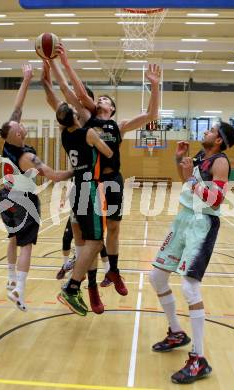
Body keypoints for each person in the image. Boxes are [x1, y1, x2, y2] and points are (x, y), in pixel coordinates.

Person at [54, 43, 161, 294]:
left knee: (114, 227)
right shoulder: (87, 117)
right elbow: (76, 92)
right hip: (92, 183)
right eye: (98, 98)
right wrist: (65, 63)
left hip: (114, 180)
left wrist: (154, 85)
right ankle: (90, 284)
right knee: (93, 235)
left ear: (112, 108)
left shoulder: (119, 125)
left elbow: (151, 113)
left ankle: (113, 270)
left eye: (106, 99)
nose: (101, 100)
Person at [149, 121, 234, 384]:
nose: (206, 132)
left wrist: (191, 177)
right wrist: (179, 161)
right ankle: (177, 332)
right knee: (157, 277)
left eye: (210, 130)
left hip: (202, 224)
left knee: (189, 288)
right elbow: (186, 184)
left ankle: (199, 359)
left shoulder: (220, 162)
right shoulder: (201, 156)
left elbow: (216, 200)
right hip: (183, 219)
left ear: (219, 140)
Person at [0, 64, 73, 312]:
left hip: (4, 196)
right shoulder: (26, 155)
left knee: (13, 237)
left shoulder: (7, 144)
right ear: (17, 132)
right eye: (19, 125)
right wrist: (78, 169)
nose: (21, 123)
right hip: (23, 200)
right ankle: (19, 287)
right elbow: (55, 175)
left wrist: (26, 81)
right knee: (26, 245)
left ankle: (10, 276)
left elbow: (17, 110)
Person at [42, 60, 113, 315]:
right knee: (93, 242)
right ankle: (74, 287)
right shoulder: (87, 131)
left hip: (77, 187)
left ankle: (82, 286)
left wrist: (45, 71)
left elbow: (54, 97)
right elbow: (107, 151)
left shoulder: (64, 131)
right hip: (88, 189)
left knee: (86, 243)